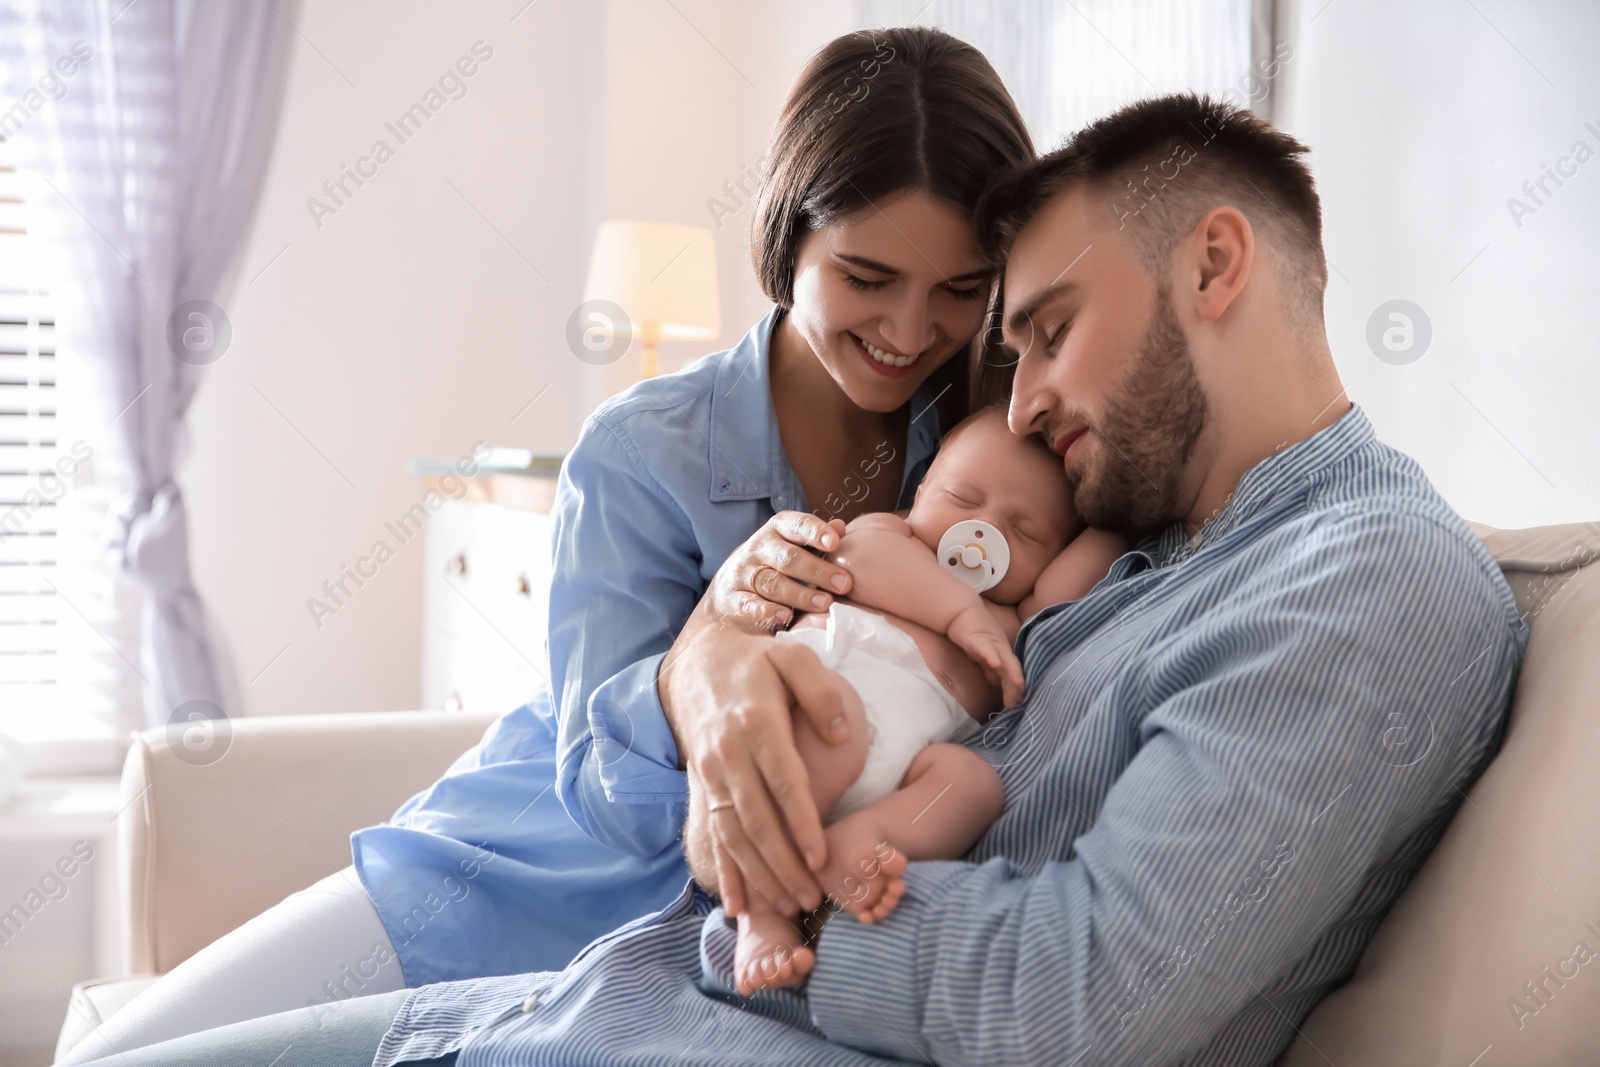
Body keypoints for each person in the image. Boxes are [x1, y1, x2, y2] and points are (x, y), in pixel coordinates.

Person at [77, 94, 1528, 1067]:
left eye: (1044, 328)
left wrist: (782, 894)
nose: (1010, 407)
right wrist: (720, 673)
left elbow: (1084, 990)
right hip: (613, 985)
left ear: (1216, 262)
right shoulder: (1143, 546)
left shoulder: (1368, 581)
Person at [57, 25, 1036, 1065]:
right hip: (511, 874)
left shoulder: (994, 449)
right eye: (866, 275)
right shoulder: (642, 450)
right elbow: (602, 788)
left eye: (959, 290)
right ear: (790, 236)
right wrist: (699, 661)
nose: (908, 327)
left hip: (720, 957)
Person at [734, 405, 1126, 994]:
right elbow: (855, 561)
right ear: (920, 492)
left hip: (906, 759)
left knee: (974, 786)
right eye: (963, 500)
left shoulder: (1018, 618)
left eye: (1025, 532)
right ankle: (761, 916)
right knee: (833, 730)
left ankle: (863, 839)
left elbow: (1099, 549)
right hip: (826, 688)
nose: (983, 534)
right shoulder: (893, 535)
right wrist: (961, 613)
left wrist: (1120, 492)